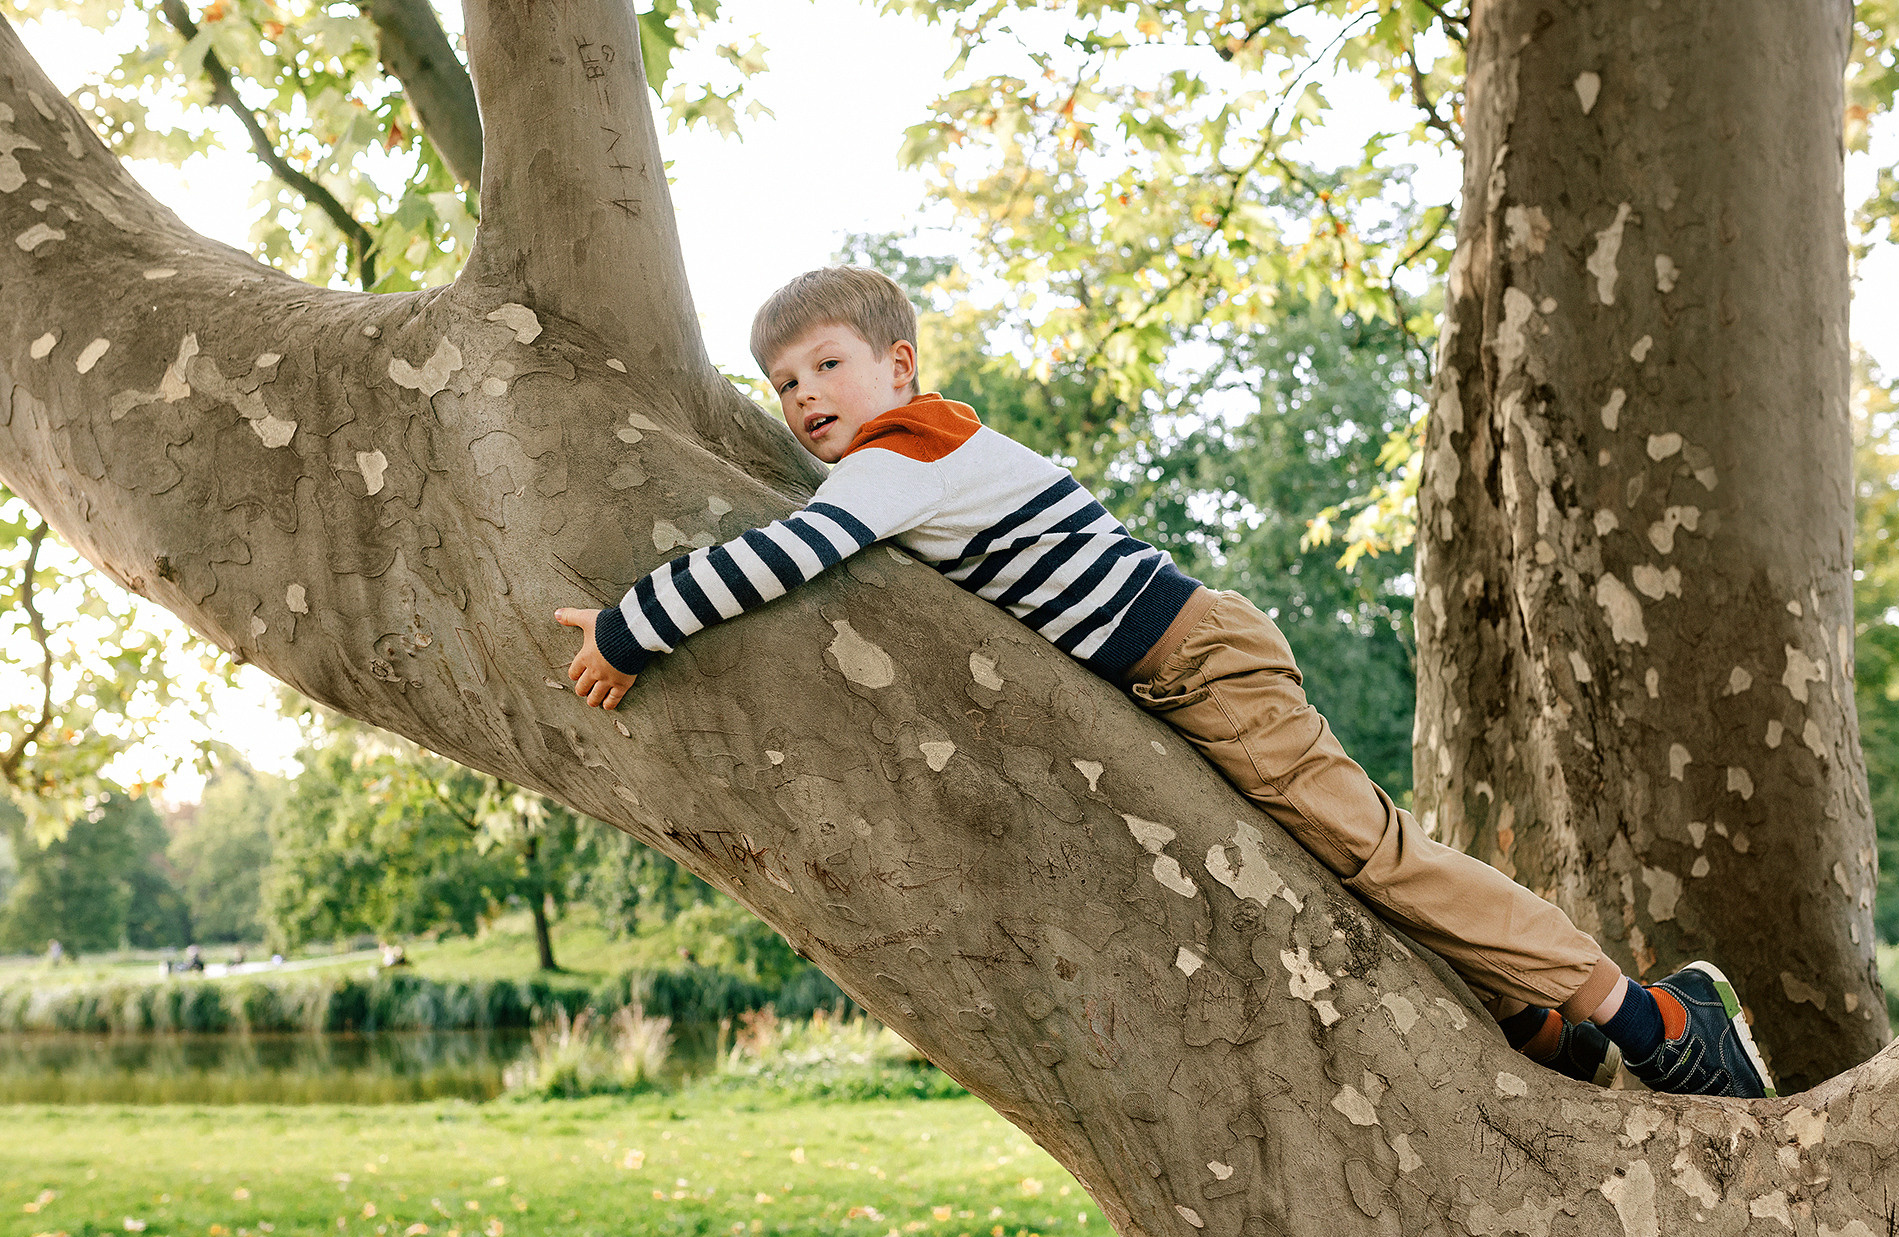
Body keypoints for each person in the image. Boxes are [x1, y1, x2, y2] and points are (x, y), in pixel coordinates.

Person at [553, 266, 1774, 1099]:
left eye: (825, 365)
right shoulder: (910, 455)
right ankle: (1537, 1025)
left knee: (1372, 853)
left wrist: (630, 628)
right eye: (782, 385)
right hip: (1174, 681)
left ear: (898, 365)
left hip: (1202, 668)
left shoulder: (907, 452)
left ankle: (1654, 1023)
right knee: (1315, 871)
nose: (805, 397)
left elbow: (783, 555)